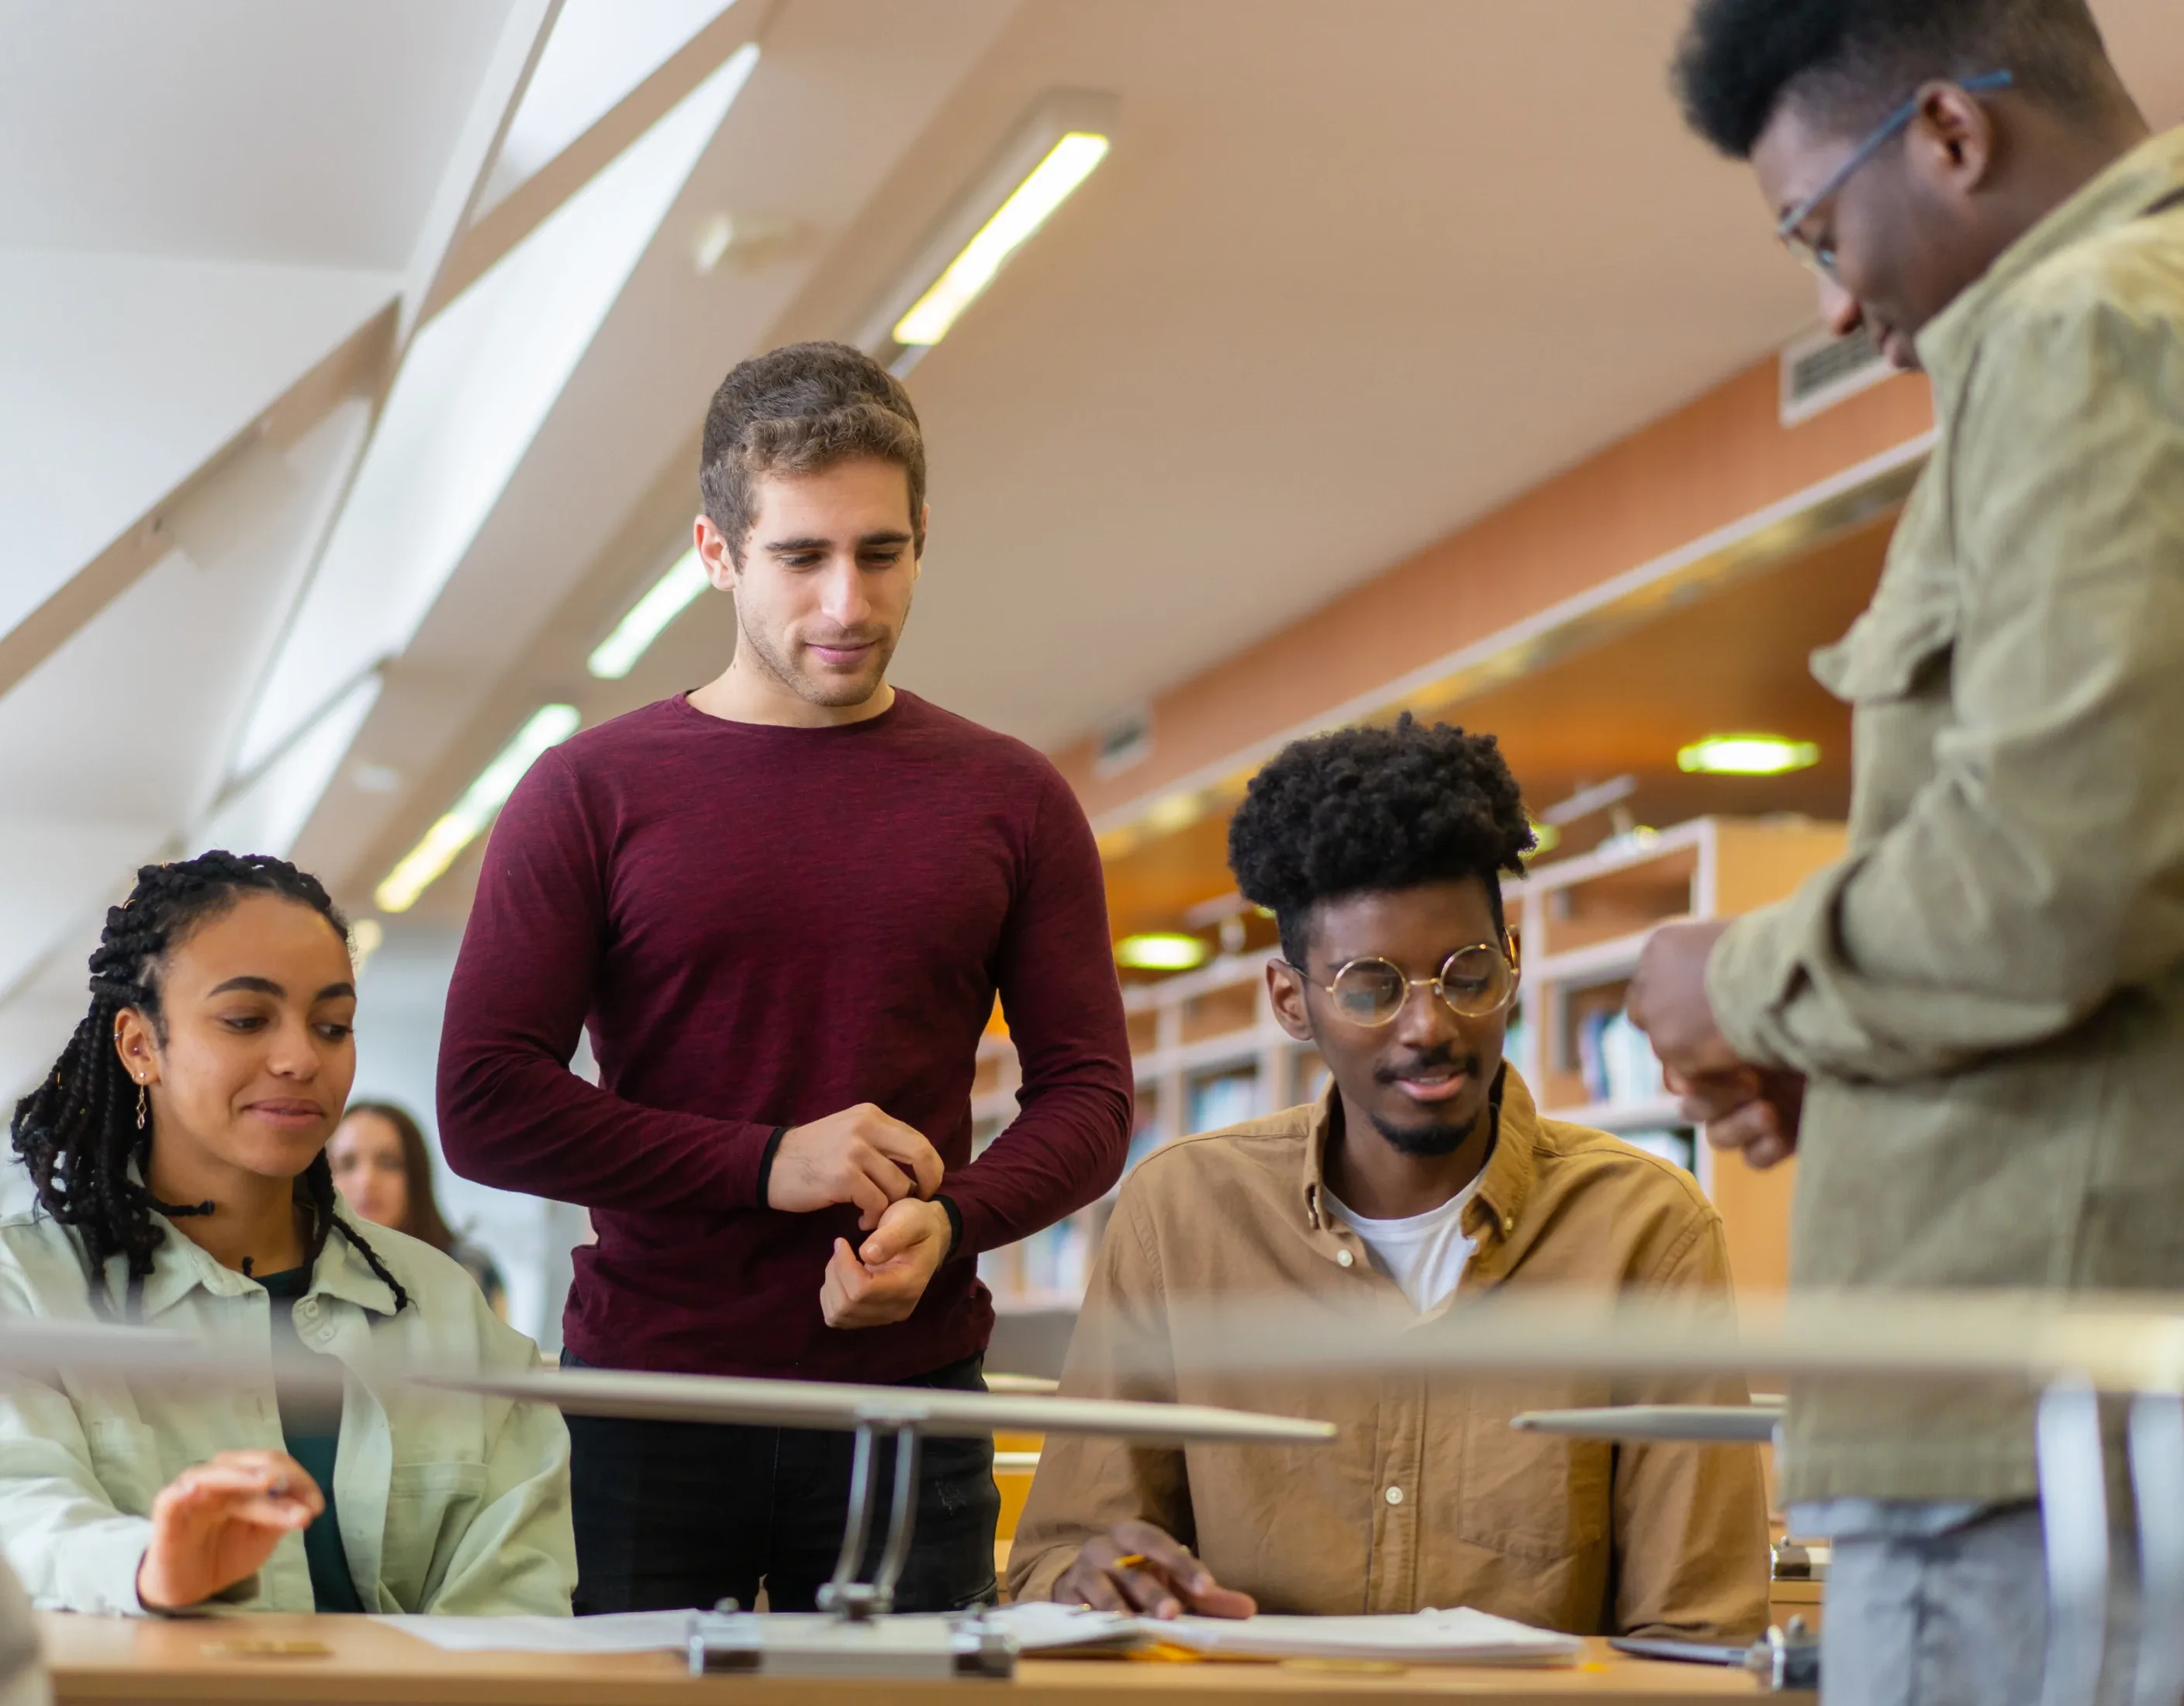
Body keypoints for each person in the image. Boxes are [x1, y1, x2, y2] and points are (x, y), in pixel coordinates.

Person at [1634, 2, 2183, 1698]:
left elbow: (2050, 875)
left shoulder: (2083, 329)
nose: (1833, 300)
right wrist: (1845, 1045)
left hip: (2022, 1426)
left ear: (1947, 132)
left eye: (1816, 227)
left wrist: (1734, 978)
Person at [437, 341, 1134, 1614]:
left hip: (904, 1399)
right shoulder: (587, 793)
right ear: (716, 552)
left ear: (924, 539)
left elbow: (1089, 1096)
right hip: (651, 1392)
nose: (845, 605)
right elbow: (485, 1101)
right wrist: (768, 1164)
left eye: (881, 553)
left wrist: (957, 1220)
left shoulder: (1011, 799)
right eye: (800, 558)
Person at [1011, 717, 1771, 1639]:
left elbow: (1698, 1632)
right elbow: (1057, 1559)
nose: (1428, 1026)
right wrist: (1095, 1578)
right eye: (1371, 986)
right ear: (1292, 1001)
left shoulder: (1646, 1228)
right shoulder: (1180, 1214)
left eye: (1466, 974)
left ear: (1515, 965)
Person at [0, 853, 574, 1617]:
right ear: (139, 1045)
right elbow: (21, 1509)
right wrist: (148, 1564)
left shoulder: (438, 1302)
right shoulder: (29, 1287)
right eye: (246, 1019)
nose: (301, 1058)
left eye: (332, 1025)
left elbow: (518, 1584)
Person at [330, 1103, 508, 1317]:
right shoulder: (304, 1272)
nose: (367, 1181)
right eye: (347, 1164)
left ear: (416, 1176)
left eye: (388, 1163)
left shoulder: (470, 1270)